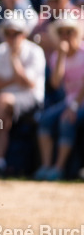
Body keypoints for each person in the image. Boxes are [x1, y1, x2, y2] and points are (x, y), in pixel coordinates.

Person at [0, 16, 45, 177]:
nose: (11, 38)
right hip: (6, 103)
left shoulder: (35, 52)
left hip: (31, 99)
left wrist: (13, 59)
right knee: (4, 117)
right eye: (8, 33)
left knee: (3, 99)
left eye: (16, 33)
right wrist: (15, 79)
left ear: (24, 34)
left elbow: (29, 83)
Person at [35, 18, 84, 181]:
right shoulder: (57, 56)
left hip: (78, 103)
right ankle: (46, 166)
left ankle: (59, 168)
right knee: (46, 120)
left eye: (69, 32)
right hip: (70, 103)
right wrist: (62, 55)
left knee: (66, 120)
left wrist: (75, 106)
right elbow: (56, 83)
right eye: (61, 33)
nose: (65, 36)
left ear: (76, 33)